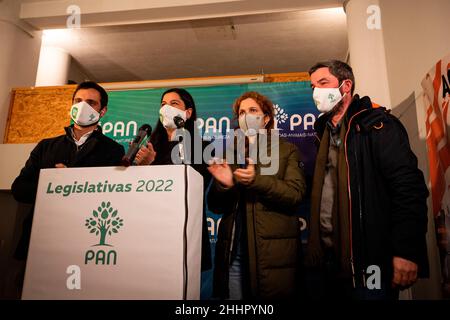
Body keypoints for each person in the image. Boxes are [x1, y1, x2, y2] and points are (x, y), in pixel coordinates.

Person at [305, 60, 429, 299]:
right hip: (329, 265)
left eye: (323, 83)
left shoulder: (378, 125)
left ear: (345, 85)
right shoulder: (322, 134)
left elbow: (408, 188)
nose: (316, 92)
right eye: (312, 87)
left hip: (371, 264)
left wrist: (406, 250)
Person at [11, 81, 124, 285]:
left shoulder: (113, 150)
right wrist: (51, 182)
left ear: (103, 110)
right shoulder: (46, 146)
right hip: (40, 239)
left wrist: (72, 181)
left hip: (83, 241)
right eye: (78, 101)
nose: (83, 106)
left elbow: (112, 197)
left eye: (91, 102)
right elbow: (19, 189)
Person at [206, 91, 306, 300]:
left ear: (266, 118)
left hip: (270, 258)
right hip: (234, 255)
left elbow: (295, 194)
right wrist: (224, 186)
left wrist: (256, 181)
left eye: (253, 110)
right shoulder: (231, 153)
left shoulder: (287, 150)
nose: (246, 116)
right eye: (241, 112)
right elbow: (215, 206)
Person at [134, 87, 212, 271]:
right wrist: (145, 167)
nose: (166, 108)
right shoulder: (149, 148)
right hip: (152, 230)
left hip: (186, 232)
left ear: (188, 112)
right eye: (163, 104)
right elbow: (138, 194)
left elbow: (195, 188)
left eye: (173, 103)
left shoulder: (204, 149)